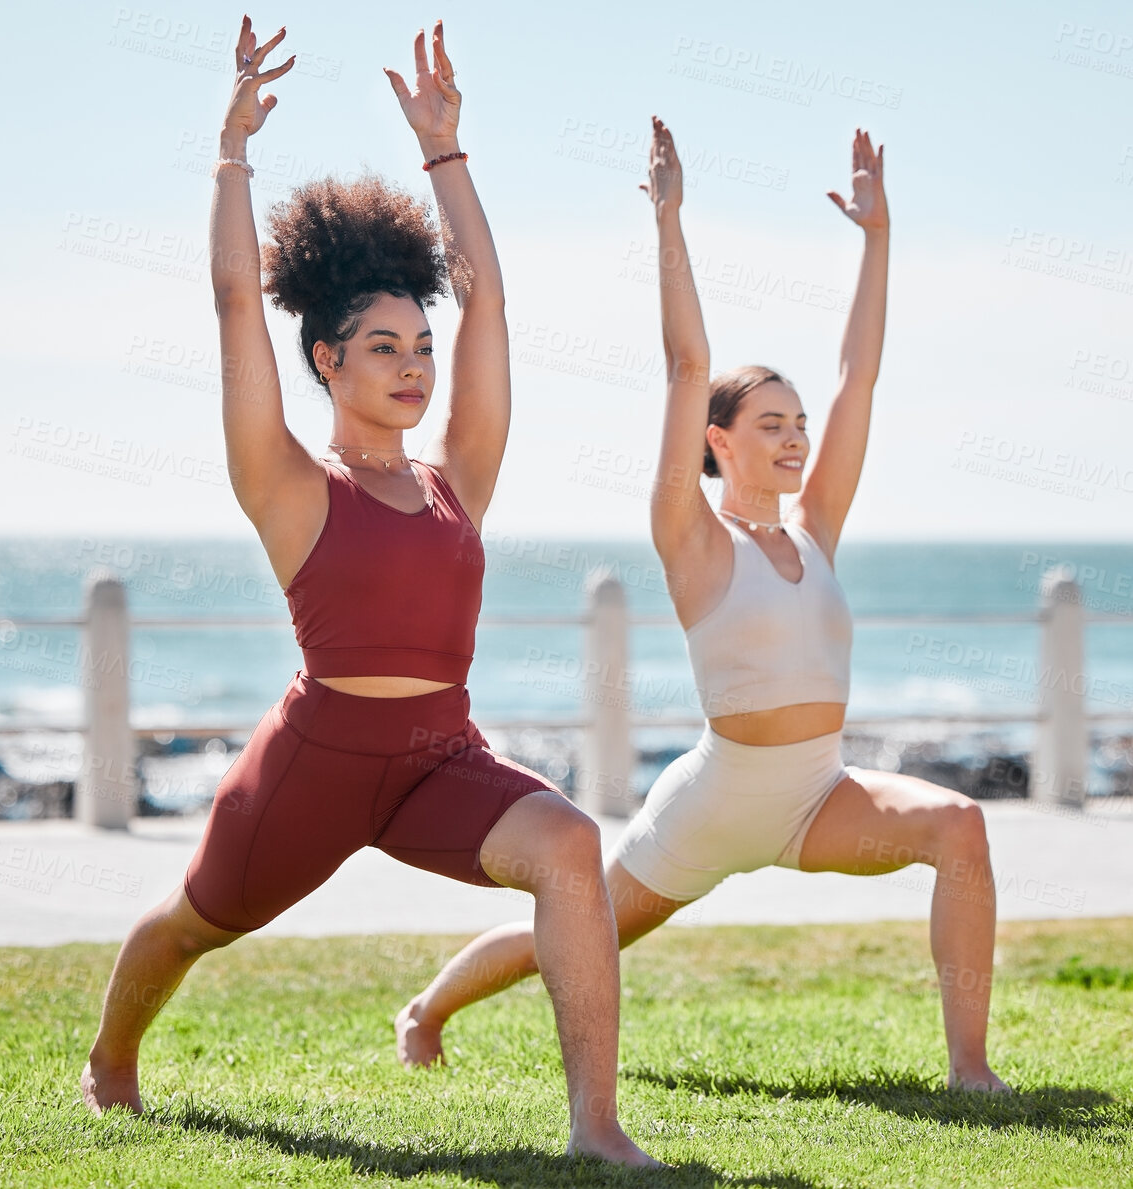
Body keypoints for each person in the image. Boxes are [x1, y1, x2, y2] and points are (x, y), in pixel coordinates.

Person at [80, 17, 661, 1167]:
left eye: (420, 347)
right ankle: (110, 1058)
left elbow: (488, 302)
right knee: (199, 920)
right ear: (327, 363)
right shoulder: (292, 485)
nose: (412, 364)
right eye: (383, 345)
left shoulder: (460, 481)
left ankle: (595, 1126)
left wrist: (447, 156)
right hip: (317, 761)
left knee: (571, 845)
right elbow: (235, 305)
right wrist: (232, 154)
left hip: (442, 757)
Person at [397, 117, 1009, 1094]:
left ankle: (970, 1071)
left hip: (819, 797)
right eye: (772, 424)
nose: (797, 438)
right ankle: (427, 1009)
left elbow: (861, 378)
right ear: (718, 441)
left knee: (960, 826)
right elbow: (687, 366)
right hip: (713, 808)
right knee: (579, 928)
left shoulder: (815, 529)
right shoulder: (692, 539)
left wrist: (877, 239)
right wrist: (668, 222)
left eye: (799, 425)